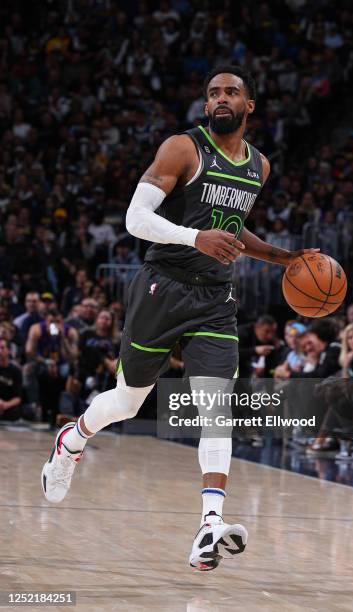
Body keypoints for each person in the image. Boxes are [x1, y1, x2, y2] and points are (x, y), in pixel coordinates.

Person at [41, 65, 317, 571]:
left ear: (249, 105)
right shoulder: (182, 148)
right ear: (206, 104)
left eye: (231, 92)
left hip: (214, 297)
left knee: (217, 410)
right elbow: (135, 219)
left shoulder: (260, 166)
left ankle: (209, 526)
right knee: (126, 402)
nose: (220, 99)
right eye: (213, 93)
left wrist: (283, 258)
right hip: (161, 287)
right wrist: (195, 239)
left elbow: (229, 232)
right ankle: (73, 438)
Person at [0, 339, 23, 421]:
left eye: (2, 348)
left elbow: (18, 398)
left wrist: (4, 405)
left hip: (7, 406)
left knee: (16, 412)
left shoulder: (16, 371)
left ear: (8, 351)